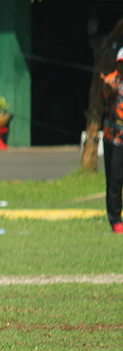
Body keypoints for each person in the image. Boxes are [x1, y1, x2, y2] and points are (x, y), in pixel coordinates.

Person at [102, 47, 123, 234]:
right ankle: (116, 220)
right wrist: (111, 90)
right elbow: (108, 92)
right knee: (115, 180)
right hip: (114, 140)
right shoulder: (111, 80)